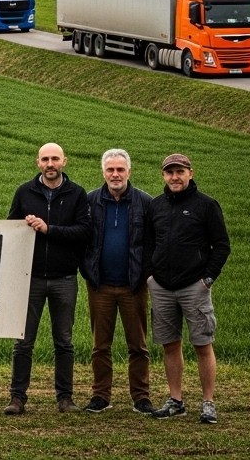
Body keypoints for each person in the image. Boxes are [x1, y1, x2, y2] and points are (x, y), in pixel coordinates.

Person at [3, 143, 90, 415]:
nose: (50, 164)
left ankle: (65, 398)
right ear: (37, 162)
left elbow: (83, 232)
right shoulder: (24, 192)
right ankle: (17, 398)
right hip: (30, 278)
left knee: (63, 341)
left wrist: (48, 229)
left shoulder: (77, 194)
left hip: (64, 278)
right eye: (45, 159)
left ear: (64, 161)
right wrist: (25, 226)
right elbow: (11, 231)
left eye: (55, 159)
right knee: (23, 341)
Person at [145, 153, 230, 425]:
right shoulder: (156, 206)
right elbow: (148, 244)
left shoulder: (206, 205)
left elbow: (222, 245)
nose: (175, 177)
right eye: (170, 172)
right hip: (162, 286)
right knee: (170, 345)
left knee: (202, 344)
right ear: (163, 176)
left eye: (180, 172)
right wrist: (150, 276)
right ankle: (176, 401)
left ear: (190, 174)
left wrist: (208, 279)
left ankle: (208, 403)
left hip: (195, 286)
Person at [80, 149, 154, 415]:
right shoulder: (90, 201)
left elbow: (153, 243)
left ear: (129, 172)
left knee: (138, 346)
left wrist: (145, 274)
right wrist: (87, 270)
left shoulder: (145, 202)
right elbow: (81, 239)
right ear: (103, 172)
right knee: (100, 346)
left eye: (120, 169)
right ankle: (100, 396)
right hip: (100, 285)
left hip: (133, 286)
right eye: (110, 170)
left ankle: (141, 397)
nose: (115, 174)